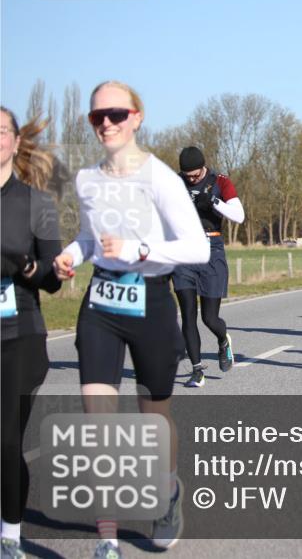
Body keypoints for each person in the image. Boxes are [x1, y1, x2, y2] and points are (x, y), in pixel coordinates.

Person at [52, 81, 211, 556]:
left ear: (137, 117)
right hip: (102, 303)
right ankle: (108, 540)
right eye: (96, 116)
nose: (106, 123)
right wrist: (69, 255)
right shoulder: (87, 179)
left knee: (153, 421)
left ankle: (167, 495)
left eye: (116, 114)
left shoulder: (161, 179)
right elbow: (87, 237)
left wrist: (141, 249)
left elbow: (198, 248)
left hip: (153, 302)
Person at [1, 107, 62, 559]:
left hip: (18, 333)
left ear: (16, 141)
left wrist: (23, 266)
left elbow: (53, 278)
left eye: (0, 131)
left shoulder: (36, 203)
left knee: (4, 439)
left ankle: (9, 535)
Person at [171, 147, 245, 388]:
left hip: (211, 248)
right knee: (188, 315)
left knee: (209, 318)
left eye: (195, 175)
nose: (191, 179)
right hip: (183, 251)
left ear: (204, 167)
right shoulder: (174, 183)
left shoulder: (220, 182)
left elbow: (239, 216)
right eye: (187, 176)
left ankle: (223, 339)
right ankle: (196, 370)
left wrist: (214, 201)